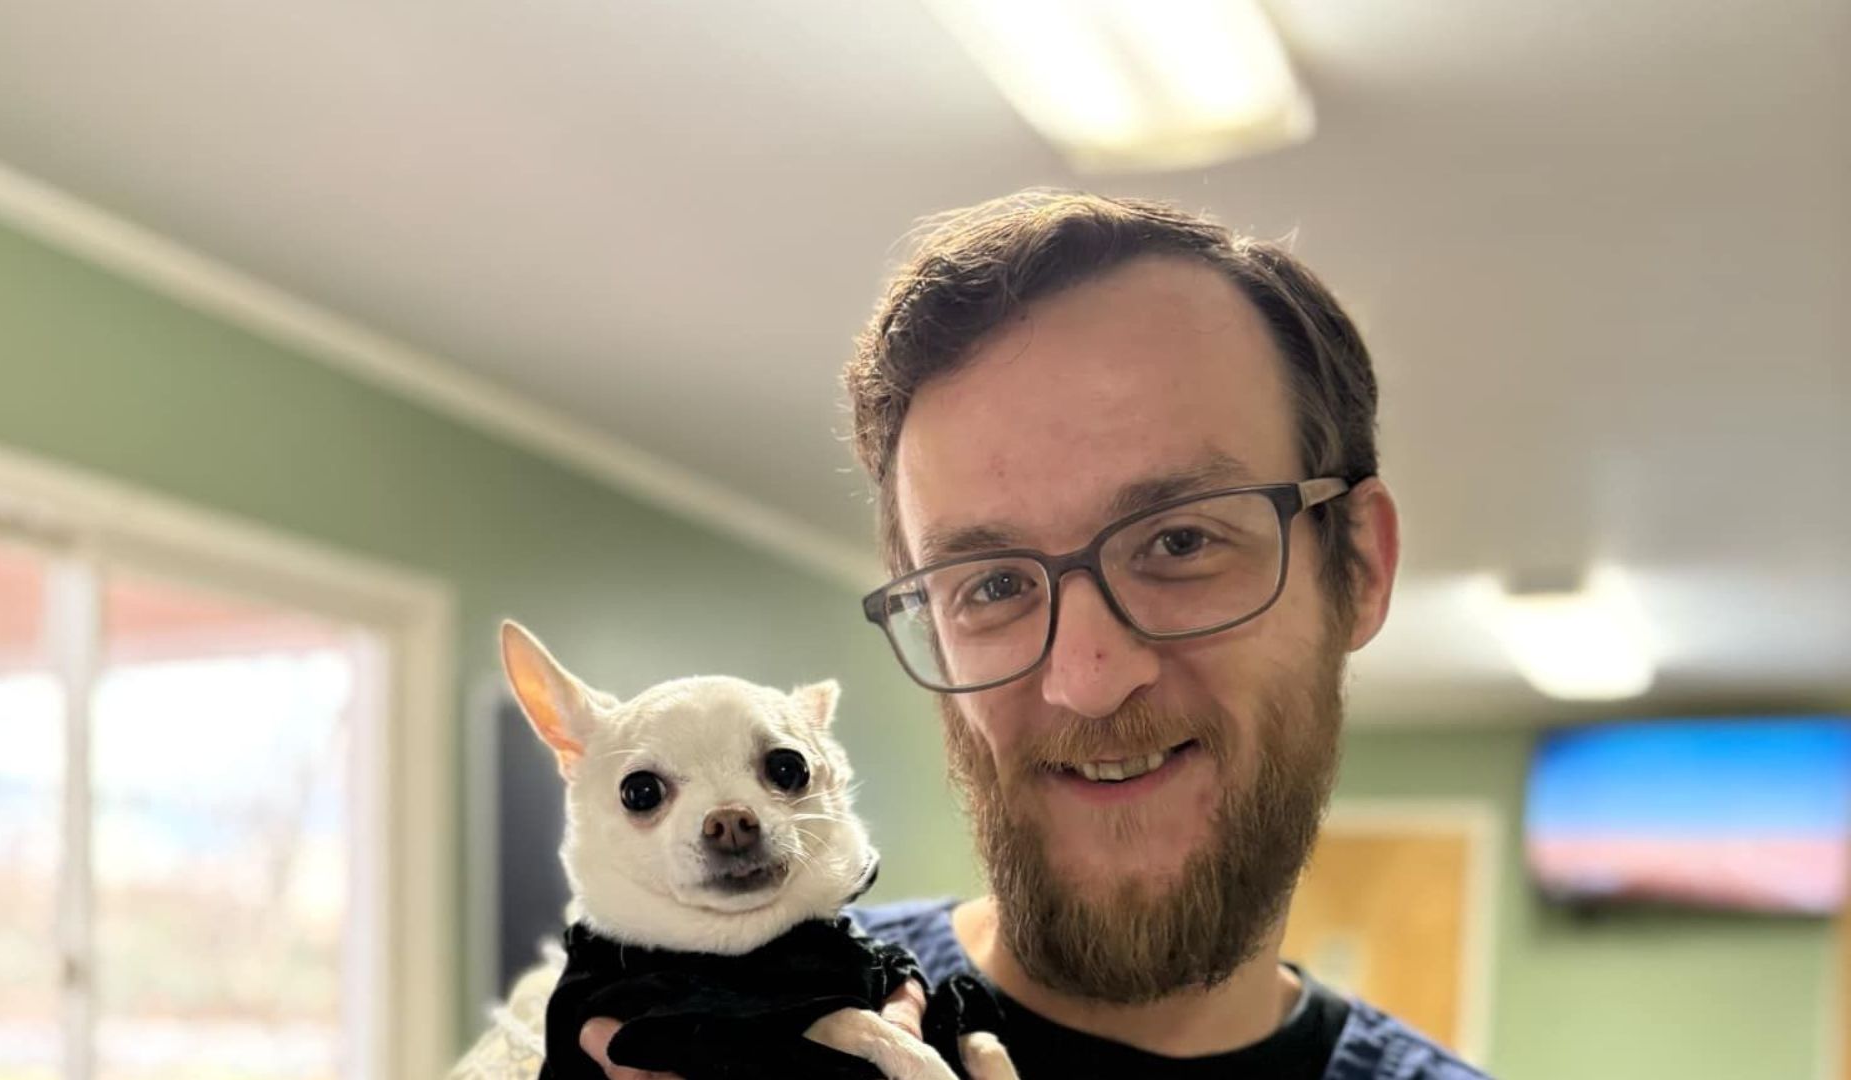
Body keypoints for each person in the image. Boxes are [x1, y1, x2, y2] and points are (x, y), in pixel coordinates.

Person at [456, 191, 1488, 1080]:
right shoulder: (643, 1033)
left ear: (1357, 565)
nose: (1087, 676)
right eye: (990, 582)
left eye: (1179, 541)